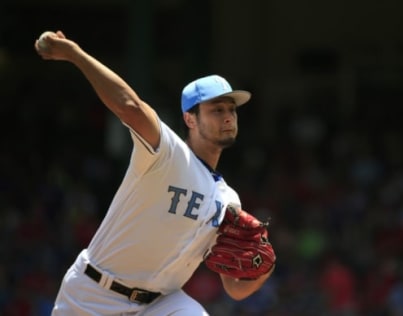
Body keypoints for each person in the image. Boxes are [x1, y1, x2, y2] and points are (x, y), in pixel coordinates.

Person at [34, 30, 274, 315]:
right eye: (217, 109)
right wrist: (76, 55)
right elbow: (130, 107)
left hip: (161, 303)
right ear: (190, 118)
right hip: (92, 295)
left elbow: (234, 289)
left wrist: (264, 268)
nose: (227, 117)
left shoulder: (228, 201)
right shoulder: (167, 152)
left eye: (232, 110)